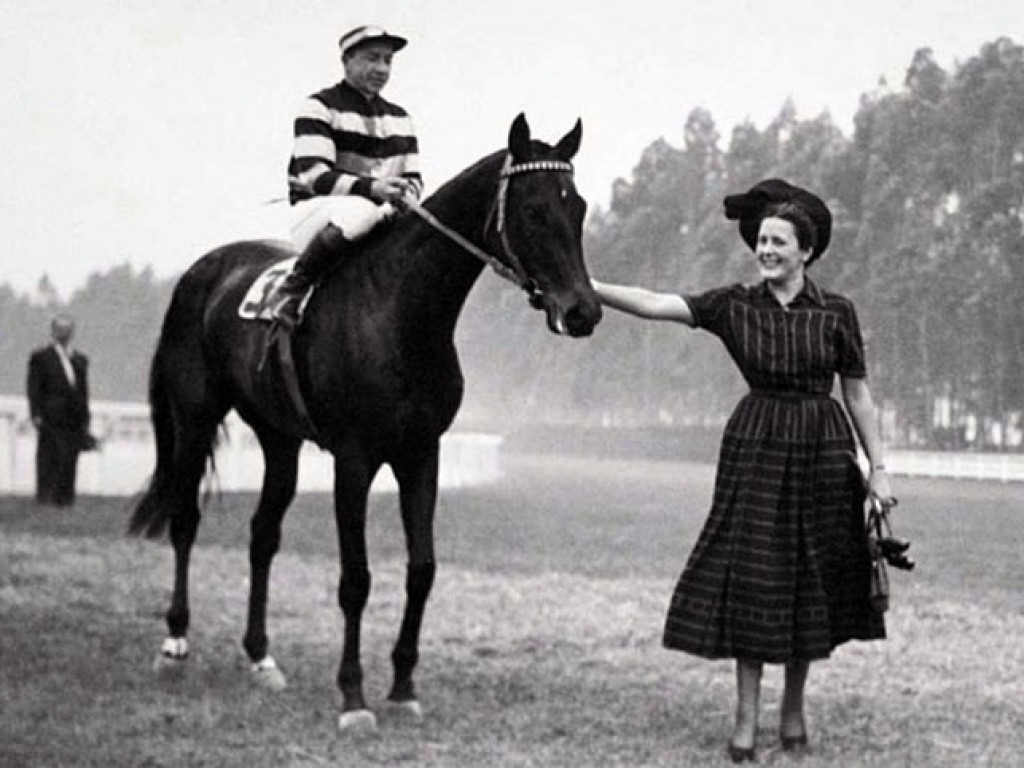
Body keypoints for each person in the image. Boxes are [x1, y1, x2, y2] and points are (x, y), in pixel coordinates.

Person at [591, 179, 893, 763]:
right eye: (761, 241)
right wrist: (590, 288)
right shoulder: (734, 304)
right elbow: (659, 303)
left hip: (824, 455)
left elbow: (858, 396)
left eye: (779, 241)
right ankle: (745, 717)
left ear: (806, 250)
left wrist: (879, 470)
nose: (766, 250)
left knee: (812, 582)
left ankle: (794, 710)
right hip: (755, 450)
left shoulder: (837, 312)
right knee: (754, 579)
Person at [269, 24, 423, 330]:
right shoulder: (319, 107)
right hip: (318, 212)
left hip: (379, 213)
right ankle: (294, 287)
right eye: (371, 58)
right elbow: (316, 176)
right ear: (347, 60)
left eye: (387, 61)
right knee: (361, 210)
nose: (381, 68)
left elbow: (415, 177)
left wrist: (407, 195)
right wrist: (376, 189)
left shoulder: (401, 118)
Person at [27, 314, 92, 507]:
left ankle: (65, 499)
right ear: (53, 331)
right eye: (60, 329)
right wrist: (36, 413)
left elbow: (83, 391)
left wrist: (86, 417)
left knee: (69, 458)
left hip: (73, 417)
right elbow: (34, 388)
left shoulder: (79, 359)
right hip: (50, 415)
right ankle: (45, 497)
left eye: (67, 329)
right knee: (49, 457)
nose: (64, 333)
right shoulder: (41, 357)